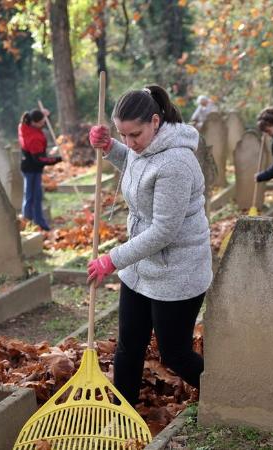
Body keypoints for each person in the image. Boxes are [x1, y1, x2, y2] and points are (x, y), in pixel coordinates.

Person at [87, 85, 212, 405]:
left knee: (176, 354)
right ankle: (122, 411)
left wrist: (112, 259)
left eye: (134, 135)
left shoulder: (176, 163)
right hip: (141, 264)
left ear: (155, 122)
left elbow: (163, 231)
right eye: (122, 134)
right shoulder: (143, 147)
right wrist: (109, 146)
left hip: (177, 269)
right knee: (129, 344)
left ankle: (229, 396)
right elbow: (135, 165)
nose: (130, 143)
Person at [18, 109, 62, 231]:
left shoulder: (25, 126)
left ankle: (37, 221)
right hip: (32, 169)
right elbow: (40, 159)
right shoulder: (33, 137)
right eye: (42, 122)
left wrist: (46, 115)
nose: (44, 124)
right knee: (31, 197)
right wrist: (57, 159)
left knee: (35, 196)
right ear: (35, 123)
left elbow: (44, 123)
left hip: (31, 167)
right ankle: (30, 221)